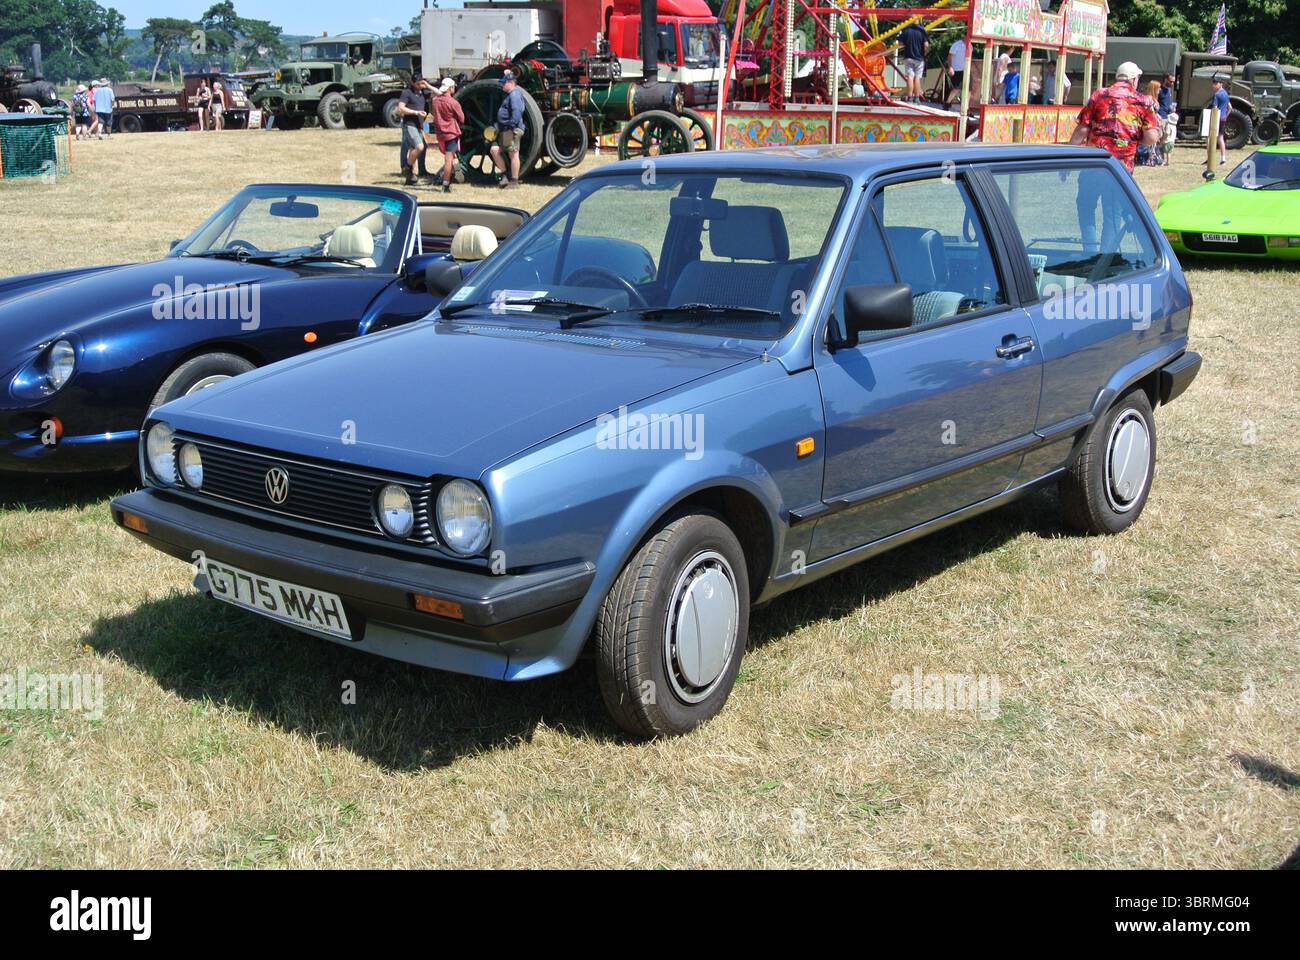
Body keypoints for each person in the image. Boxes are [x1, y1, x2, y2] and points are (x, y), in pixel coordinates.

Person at [1069, 61, 1160, 173]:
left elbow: (1082, 129)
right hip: (1122, 168)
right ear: (1134, 79)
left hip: (1095, 163)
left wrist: (1068, 157)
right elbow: (1151, 138)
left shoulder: (1098, 95)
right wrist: (1134, 138)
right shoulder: (1143, 101)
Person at [489, 71, 525, 188]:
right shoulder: (511, 94)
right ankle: (504, 176)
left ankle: (514, 181)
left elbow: (517, 112)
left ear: (511, 83)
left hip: (511, 129)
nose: (502, 85)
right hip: (506, 129)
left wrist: (511, 126)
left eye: (504, 83)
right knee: (495, 150)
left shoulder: (514, 95)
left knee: (513, 153)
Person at [397, 73, 432, 186]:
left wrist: (428, 85)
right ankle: (406, 167)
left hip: (420, 126)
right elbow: (400, 108)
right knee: (419, 146)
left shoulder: (424, 92)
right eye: (418, 83)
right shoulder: (407, 93)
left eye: (421, 82)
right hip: (410, 124)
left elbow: (439, 93)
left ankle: (413, 174)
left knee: (417, 149)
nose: (420, 85)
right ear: (413, 82)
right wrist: (416, 112)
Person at [432, 77, 463, 194]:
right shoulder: (453, 103)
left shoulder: (435, 101)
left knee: (449, 157)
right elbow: (462, 118)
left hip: (440, 134)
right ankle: (446, 184)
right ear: (450, 88)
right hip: (451, 133)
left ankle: (456, 168)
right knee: (448, 160)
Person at [898, 20, 929, 102]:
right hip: (919, 58)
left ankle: (910, 97)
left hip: (908, 57)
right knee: (917, 77)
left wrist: (906, 45)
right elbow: (926, 45)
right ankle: (917, 97)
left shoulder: (906, 31)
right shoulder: (922, 31)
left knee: (910, 77)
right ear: (918, 21)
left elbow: (900, 44)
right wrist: (924, 53)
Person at [1212, 75, 1230, 165]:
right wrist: (1226, 116)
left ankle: (1210, 157)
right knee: (1221, 138)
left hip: (1217, 119)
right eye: (1213, 83)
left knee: (1211, 138)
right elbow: (1230, 107)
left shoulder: (1217, 95)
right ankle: (1223, 158)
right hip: (1223, 118)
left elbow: (1215, 108)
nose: (1213, 85)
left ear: (1220, 84)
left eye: (1215, 83)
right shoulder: (1226, 94)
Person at [946, 36, 965, 103]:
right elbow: (949, 56)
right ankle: (947, 102)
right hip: (957, 69)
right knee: (956, 88)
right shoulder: (957, 44)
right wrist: (950, 67)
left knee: (969, 89)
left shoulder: (970, 45)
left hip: (966, 70)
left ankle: (967, 107)